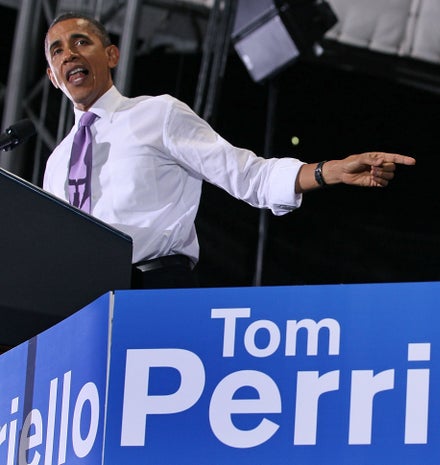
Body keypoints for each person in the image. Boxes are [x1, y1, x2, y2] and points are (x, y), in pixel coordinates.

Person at [42, 12, 415, 288]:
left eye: (81, 42)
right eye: (57, 51)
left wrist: (327, 171)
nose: (69, 54)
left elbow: (247, 174)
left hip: (152, 289)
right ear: (53, 77)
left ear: (111, 55)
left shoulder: (158, 114)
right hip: (80, 303)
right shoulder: (57, 163)